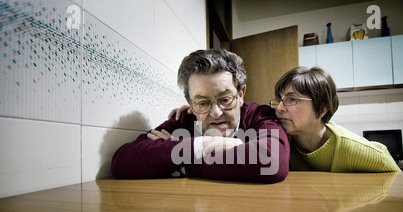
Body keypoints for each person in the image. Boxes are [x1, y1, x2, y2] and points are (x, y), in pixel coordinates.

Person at [111, 49, 289, 182]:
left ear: (241, 94)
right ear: (190, 102)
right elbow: (122, 162)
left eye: (225, 99)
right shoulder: (183, 120)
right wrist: (204, 144)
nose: (216, 113)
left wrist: (179, 161)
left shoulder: (260, 116)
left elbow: (271, 161)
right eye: (202, 103)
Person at [270, 66, 401, 172]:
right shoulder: (279, 142)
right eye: (279, 100)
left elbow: (387, 165)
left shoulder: (356, 151)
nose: (279, 108)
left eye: (291, 99)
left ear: (322, 108)